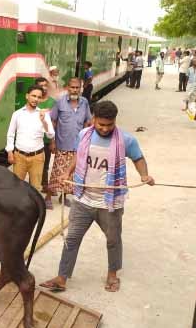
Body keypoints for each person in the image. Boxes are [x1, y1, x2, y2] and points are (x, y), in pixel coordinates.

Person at [39, 100, 155, 293]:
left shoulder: (126, 140)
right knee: (72, 240)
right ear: (93, 119)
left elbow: (138, 158)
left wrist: (144, 175)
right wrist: (67, 173)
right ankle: (61, 277)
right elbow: (78, 156)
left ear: (115, 121)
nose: (104, 128)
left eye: (109, 125)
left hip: (109, 203)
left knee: (113, 240)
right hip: (83, 199)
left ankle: (112, 275)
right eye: (101, 124)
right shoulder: (84, 135)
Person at [45, 78, 92, 210]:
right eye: (72, 87)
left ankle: (63, 196)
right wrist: (52, 141)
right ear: (67, 88)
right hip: (62, 144)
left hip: (77, 146)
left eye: (77, 88)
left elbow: (87, 122)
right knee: (56, 172)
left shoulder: (84, 103)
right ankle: (48, 197)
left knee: (71, 174)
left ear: (81, 89)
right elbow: (53, 122)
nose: (75, 90)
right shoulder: (60, 102)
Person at [6, 85, 55, 190]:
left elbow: (50, 134)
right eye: (34, 96)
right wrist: (10, 152)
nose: (36, 99)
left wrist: (44, 121)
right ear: (27, 96)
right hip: (19, 157)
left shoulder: (44, 115)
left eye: (39, 97)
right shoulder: (17, 114)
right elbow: (10, 134)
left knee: (35, 189)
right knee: (16, 188)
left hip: (37, 157)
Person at [36, 77, 57, 192]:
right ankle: (35, 184)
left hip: (47, 139)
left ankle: (44, 184)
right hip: (35, 139)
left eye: (45, 85)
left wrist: (53, 141)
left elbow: (54, 123)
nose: (43, 88)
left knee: (45, 163)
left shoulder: (52, 102)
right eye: (41, 85)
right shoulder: (33, 101)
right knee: (36, 163)